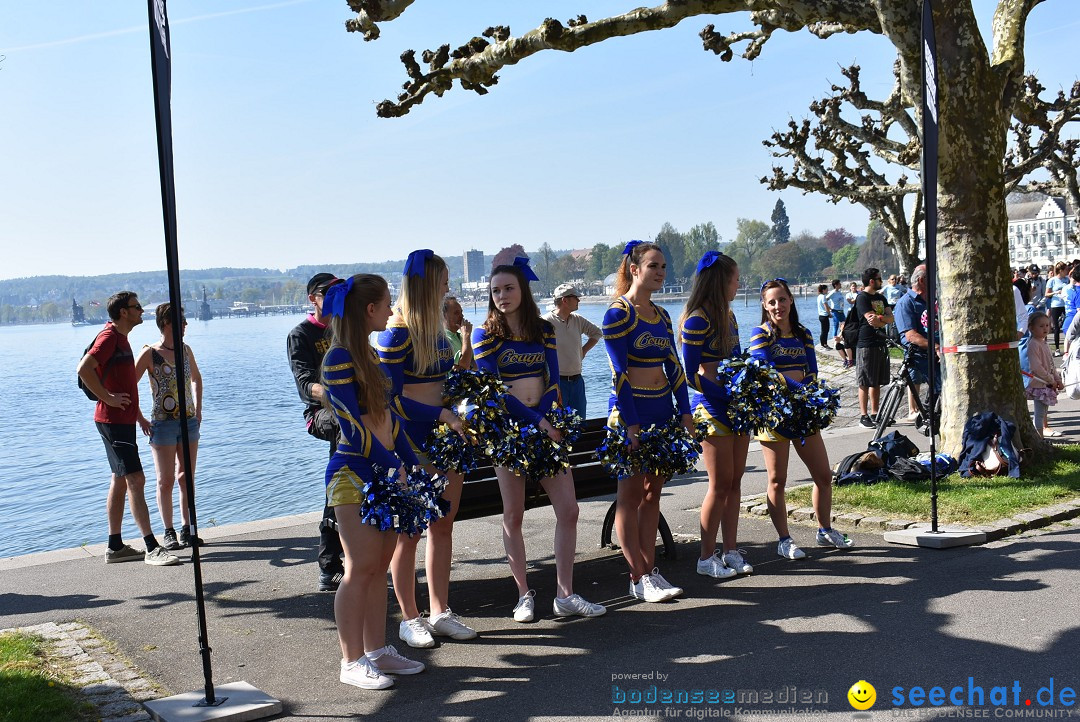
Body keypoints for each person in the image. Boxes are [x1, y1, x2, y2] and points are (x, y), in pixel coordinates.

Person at [473, 259, 606, 622]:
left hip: (546, 426)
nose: (502, 295)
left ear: (523, 291)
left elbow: (552, 378)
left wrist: (546, 416)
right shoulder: (484, 335)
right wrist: (537, 421)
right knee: (513, 515)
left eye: (509, 288)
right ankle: (523, 595)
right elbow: (495, 392)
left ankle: (565, 594)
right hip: (509, 433)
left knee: (569, 510)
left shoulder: (543, 330)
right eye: (496, 290)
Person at [321, 274, 432, 690]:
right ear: (369, 309)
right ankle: (350, 661)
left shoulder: (368, 354)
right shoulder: (338, 359)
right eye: (387, 304)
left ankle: (376, 650)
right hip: (354, 474)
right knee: (360, 567)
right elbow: (352, 428)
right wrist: (392, 464)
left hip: (386, 473)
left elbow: (391, 422)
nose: (391, 311)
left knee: (378, 566)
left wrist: (409, 461)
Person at [377, 250, 476, 648]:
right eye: (443, 280)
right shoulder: (395, 332)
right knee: (409, 533)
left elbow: (445, 379)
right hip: (409, 443)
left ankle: (440, 611)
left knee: (443, 524)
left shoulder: (437, 329)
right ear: (424, 285)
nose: (448, 286)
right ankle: (409, 617)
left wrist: (466, 394)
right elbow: (392, 400)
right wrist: (442, 414)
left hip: (445, 439)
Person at [603, 240, 694, 603]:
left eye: (663, 267)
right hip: (631, 415)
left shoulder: (662, 315)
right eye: (653, 265)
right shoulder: (618, 313)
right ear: (635, 268)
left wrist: (685, 411)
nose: (660, 272)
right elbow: (618, 373)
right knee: (628, 496)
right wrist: (630, 423)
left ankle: (651, 571)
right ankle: (637, 575)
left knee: (652, 494)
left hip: (662, 412)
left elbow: (674, 366)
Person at [749, 280, 855, 560]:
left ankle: (824, 529)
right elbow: (766, 372)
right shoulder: (760, 334)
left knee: (822, 475)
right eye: (771, 302)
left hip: (803, 414)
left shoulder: (803, 334)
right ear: (764, 305)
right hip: (773, 415)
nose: (777, 306)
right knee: (777, 480)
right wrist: (798, 389)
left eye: (782, 300)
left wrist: (806, 389)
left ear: (791, 300)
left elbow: (812, 369)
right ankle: (784, 539)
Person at [76, 291, 180, 566]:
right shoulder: (109, 337)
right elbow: (83, 369)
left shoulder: (120, 338)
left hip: (121, 421)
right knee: (136, 479)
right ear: (123, 311)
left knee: (120, 479)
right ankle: (151, 547)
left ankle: (115, 546)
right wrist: (107, 397)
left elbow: (122, 382)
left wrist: (137, 416)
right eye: (136, 307)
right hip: (112, 421)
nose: (141, 311)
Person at [680, 251, 752, 579]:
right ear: (721, 281)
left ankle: (732, 550)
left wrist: (749, 384)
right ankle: (706, 557)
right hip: (712, 409)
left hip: (737, 408)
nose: (739, 284)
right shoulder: (697, 319)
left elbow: (736, 362)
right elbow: (689, 373)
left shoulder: (731, 317)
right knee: (719, 484)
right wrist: (720, 393)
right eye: (736, 278)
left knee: (735, 482)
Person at [287, 272, 345, 592]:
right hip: (321, 414)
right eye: (330, 293)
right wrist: (340, 395)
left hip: (350, 411)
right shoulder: (301, 335)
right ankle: (329, 565)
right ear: (314, 298)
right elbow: (305, 385)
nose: (338, 299)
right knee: (341, 464)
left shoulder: (344, 329)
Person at [134, 303, 203, 551]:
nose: (185, 325)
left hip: (188, 422)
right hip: (162, 423)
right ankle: (168, 531)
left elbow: (196, 378)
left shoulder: (185, 351)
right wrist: (140, 418)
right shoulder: (149, 353)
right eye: (181, 321)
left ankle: (188, 528)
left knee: (186, 477)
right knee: (165, 481)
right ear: (166, 324)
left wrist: (198, 409)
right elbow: (131, 386)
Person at [543, 283, 603, 417]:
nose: (579, 300)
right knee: (558, 424)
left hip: (578, 382)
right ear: (565, 300)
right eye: (576, 297)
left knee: (580, 423)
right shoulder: (545, 322)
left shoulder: (578, 320)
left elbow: (597, 333)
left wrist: (583, 351)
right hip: (556, 383)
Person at [893, 265, 940, 420]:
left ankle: (931, 412)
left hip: (937, 353)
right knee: (924, 383)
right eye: (932, 277)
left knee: (940, 389)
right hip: (918, 353)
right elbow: (911, 336)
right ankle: (922, 414)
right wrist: (935, 346)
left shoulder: (933, 300)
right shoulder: (906, 303)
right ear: (921, 280)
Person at [854, 268, 893, 428]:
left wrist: (882, 319)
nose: (881, 281)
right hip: (866, 343)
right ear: (871, 281)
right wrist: (884, 319)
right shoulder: (862, 298)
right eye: (879, 278)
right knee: (864, 381)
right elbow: (871, 320)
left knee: (876, 381)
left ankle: (875, 413)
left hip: (880, 342)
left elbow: (891, 318)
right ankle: (863, 415)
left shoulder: (881, 297)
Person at [1019, 312, 1063, 438]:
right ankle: (1040, 437)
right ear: (1031, 328)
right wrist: (1050, 380)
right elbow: (1036, 367)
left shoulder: (1044, 343)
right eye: (1041, 326)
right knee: (1039, 413)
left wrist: (1057, 379)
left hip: (1047, 384)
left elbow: (1051, 364)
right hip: (1040, 384)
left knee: (1043, 411)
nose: (1045, 328)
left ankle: (1040, 436)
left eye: (1047, 325)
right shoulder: (1033, 344)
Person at [442, 296, 474, 370]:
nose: (461, 316)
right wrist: (466, 335)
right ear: (444, 316)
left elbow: (474, 364)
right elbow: (464, 365)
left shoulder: (461, 337)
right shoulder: (443, 339)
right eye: (456, 313)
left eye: (461, 312)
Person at [1045, 262, 1069, 352]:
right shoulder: (1052, 280)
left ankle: (1068, 346)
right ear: (1061, 271)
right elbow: (1046, 294)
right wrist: (1056, 292)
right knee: (1056, 327)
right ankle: (1057, 348)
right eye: (1066, 270)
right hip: (1056, 305)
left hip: (1065, 304)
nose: (1067, 271)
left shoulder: (1067, 279)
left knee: (1067, 325)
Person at [815, 284, 832, 350]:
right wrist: (829, 314)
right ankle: (824, 344)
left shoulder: (819, 296)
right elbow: (825, 306)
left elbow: (826, 305)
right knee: (825, 330)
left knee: (823, 330)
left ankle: (823, 343)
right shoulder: (823, 297)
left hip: (821, 315)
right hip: (824, 316)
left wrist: (830, 308)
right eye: (826, 289)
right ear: (823, 290)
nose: (827, 290)